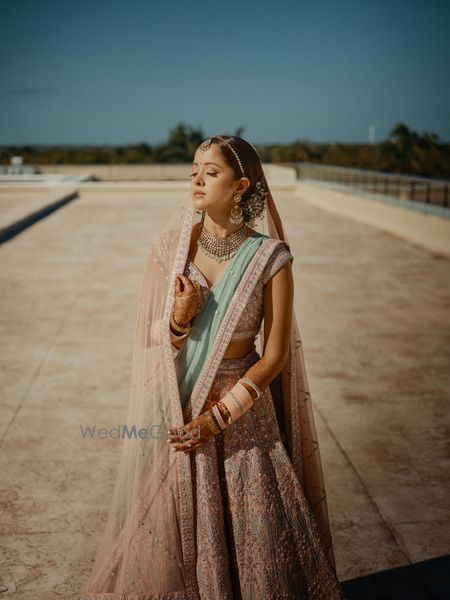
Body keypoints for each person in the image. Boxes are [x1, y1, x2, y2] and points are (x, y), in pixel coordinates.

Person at [80, 135, 346, 599]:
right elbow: (148, 338)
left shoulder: (271, 257)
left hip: (242, 415)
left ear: (241, 185)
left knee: (253, 536)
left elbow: (276, 354)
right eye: (194, 170)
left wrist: (220, 416)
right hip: (183, 402)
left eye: (211, 171)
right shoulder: (173, 248)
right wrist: (180, 320)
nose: (197, 179)